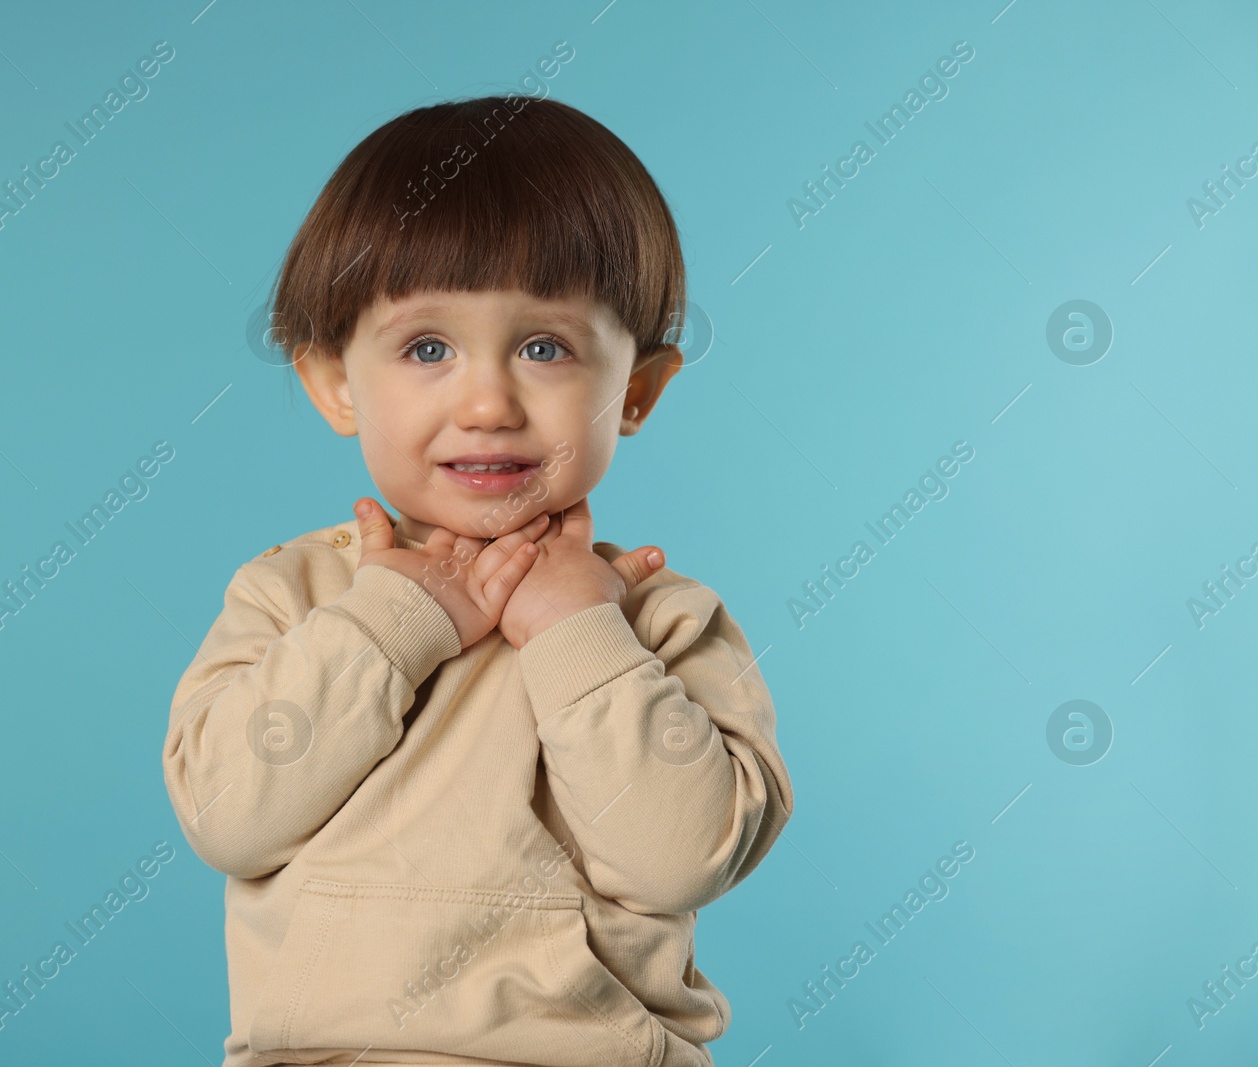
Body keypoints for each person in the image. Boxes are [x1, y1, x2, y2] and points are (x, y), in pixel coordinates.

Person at [163, 92, 793, 1067]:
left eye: (545, 347)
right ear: (333, 382)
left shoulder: (661, 619)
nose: (488, 400)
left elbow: (680, 857)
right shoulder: (291, 595)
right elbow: (227, 818)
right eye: (427, 347)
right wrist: (394, 618)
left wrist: (576, 627)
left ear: (636, 389)